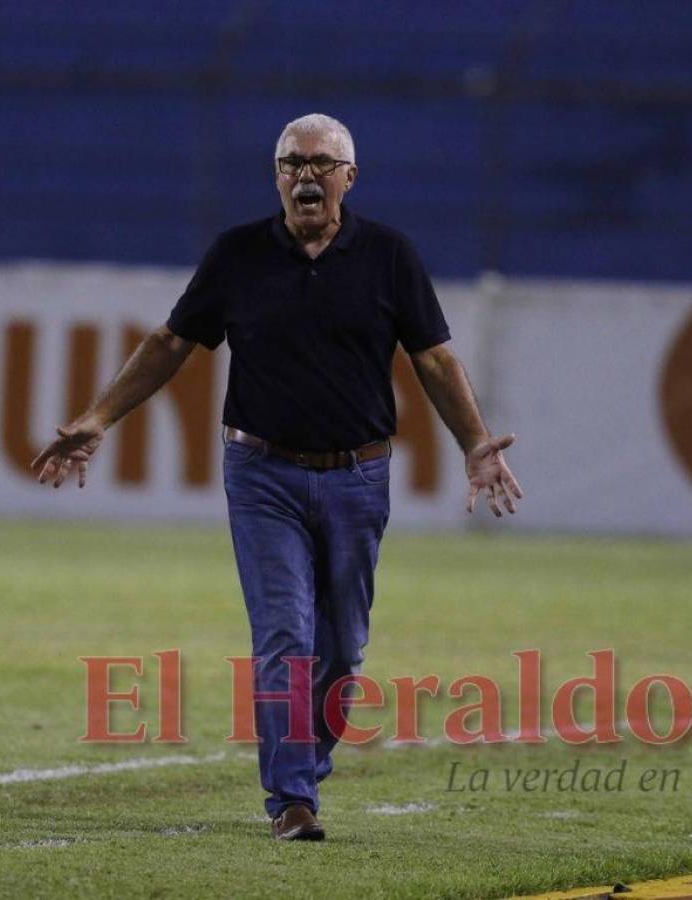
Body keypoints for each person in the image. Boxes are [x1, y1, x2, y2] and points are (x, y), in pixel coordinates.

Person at [32, 113, 523, 841]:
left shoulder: (389, 256)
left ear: (349, 178)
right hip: (262, 475)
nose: (305, 175)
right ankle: (292, 798)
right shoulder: (238, 255)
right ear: (276, 177)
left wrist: (475, 442)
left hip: (359, 476)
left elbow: (435, 360)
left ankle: (302, 766)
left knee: (343, 649)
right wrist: (100, 418)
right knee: (284, 636)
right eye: (292, 163)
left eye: (322, 164)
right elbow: (172, 342)